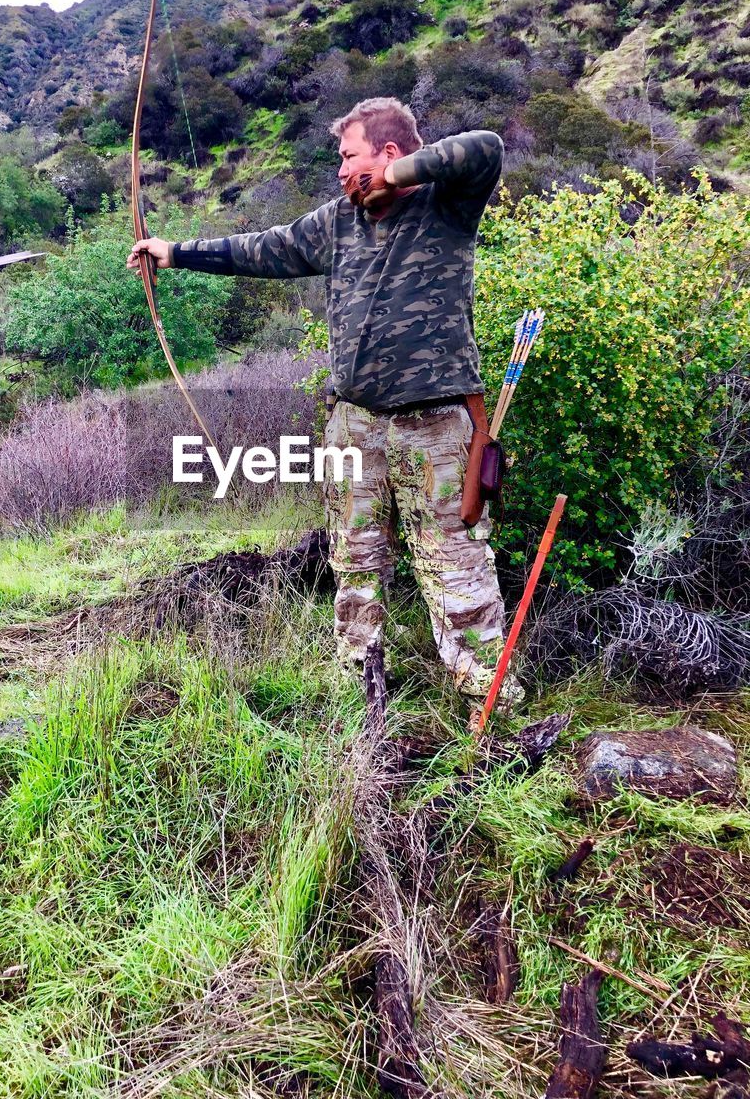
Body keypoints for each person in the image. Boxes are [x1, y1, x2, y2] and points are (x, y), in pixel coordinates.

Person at [126, 96, 522, 712]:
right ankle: (360, 695)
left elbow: (486, 146)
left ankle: (486, 701)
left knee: (456, 561)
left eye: (350, 157)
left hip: (438, 426)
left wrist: (396, 177)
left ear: (389, 154)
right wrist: (175, 252)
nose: (341, 172)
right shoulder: (338, 220)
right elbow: (265, 248)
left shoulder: (446, 205)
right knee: (355, 559)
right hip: (355, 425)